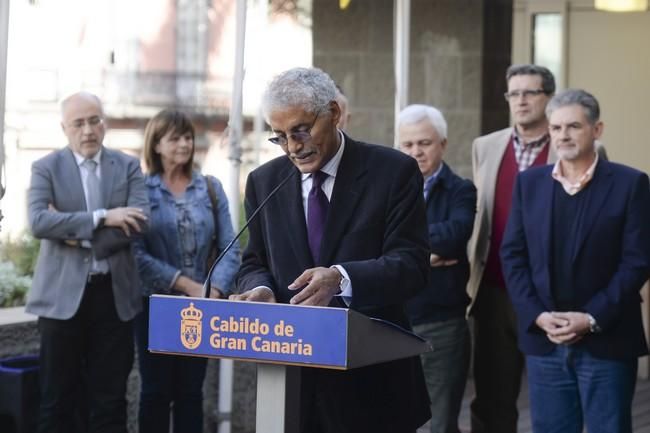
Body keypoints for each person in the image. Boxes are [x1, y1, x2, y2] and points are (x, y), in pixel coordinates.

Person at [230, 67, 431, 433]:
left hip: (374, 389)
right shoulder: (264, 182)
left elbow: (411, 266)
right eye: (280, 138)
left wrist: (341, 278)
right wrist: (260, 288)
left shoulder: (393, 171)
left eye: (301, 130)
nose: (293, 147)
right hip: (292, 389)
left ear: (334, 114)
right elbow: (254, 261)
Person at [500, 89, 650, 433]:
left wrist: (590, 317)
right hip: (545, 341)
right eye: (556, 128)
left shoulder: (631, 184)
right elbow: (513, 254)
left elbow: (637, 261)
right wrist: (536, 314)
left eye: (574, 126)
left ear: (597, 130)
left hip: (607, 340)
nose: (563, 135)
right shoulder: (529, 184)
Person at [26, 91, 149, 433]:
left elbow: (139, 223)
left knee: (110, 402)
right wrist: (102, 217)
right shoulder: (45, 168)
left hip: (114, 298)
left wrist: (71, 233)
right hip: (60, 301)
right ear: (64, 128)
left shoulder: (127, 166)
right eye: (79, 123)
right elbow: (38, 222)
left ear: (104, 122)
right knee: (57, 401)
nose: (88, 130)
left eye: (95, 120)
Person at [132, 109, 240, 433]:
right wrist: (186, 285)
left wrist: (214, 290)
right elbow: (135, 254)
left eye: (188, 137)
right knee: (154, 392)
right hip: (154, 305)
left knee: (191, 393)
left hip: (202, 306)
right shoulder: (140, 190)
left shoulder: (210, 187)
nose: (184, 144)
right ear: (157, 144)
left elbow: (231, 245)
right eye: (175, 138)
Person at [466, 64, 558, 433]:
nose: (520, 100)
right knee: (491, 395)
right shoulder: (486, 146)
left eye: (530, 92)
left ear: (548, 97)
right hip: (493, 289)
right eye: (513, 93)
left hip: (550, 292)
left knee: (552, 395)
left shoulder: (571, 142)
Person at [397, 104, 476, 433]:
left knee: (441, 422)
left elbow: (454, 237)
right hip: (393, 322)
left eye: (425, 143)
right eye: (408, 144)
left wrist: (402, 249)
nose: (416, 151)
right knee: (394, 418)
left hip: (442, 325)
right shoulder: (389, 190)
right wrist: (425, 253)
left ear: (442, 143)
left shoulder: (461, 190)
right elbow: (371, 242)